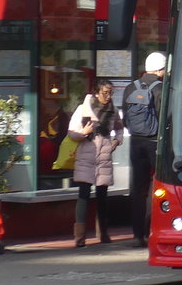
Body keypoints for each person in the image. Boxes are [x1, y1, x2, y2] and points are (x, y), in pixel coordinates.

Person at [67, 78, 123, 247]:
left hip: (104, 155)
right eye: (105, 92)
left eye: (111, 92)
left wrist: (116, 140)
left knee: (102, 196)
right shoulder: (83, 109)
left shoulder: (113, 110)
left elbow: (119, 127)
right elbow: (71, 132)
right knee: (83, 195)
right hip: (86, 155)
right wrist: (84, 132)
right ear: (96, 92)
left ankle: (104, 234)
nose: (108, 96)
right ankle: (80, 237)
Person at [122, 52, 165, 247]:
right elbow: (164, 118)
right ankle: (152, 230)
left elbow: (125, 119)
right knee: (157, 187)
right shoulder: (160, 88)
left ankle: (137, 234)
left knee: (138, 189)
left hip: (135, 142)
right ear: (159, 70)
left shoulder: (131, 87)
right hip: (154, 142)